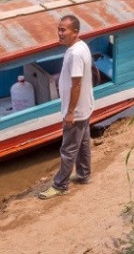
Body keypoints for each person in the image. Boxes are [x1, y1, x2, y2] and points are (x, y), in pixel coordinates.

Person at [39, 14, 94, 199]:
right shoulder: (81, 46)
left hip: (76, 111)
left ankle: (61, 185)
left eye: (63, 30)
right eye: (59, 29)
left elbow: (76, 84)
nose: (59, 33)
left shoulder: (76, 53)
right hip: (85, 107)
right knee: (83, 143)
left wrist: (70, 112)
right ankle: (84, 175)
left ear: (75, 32)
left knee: (68, 149)